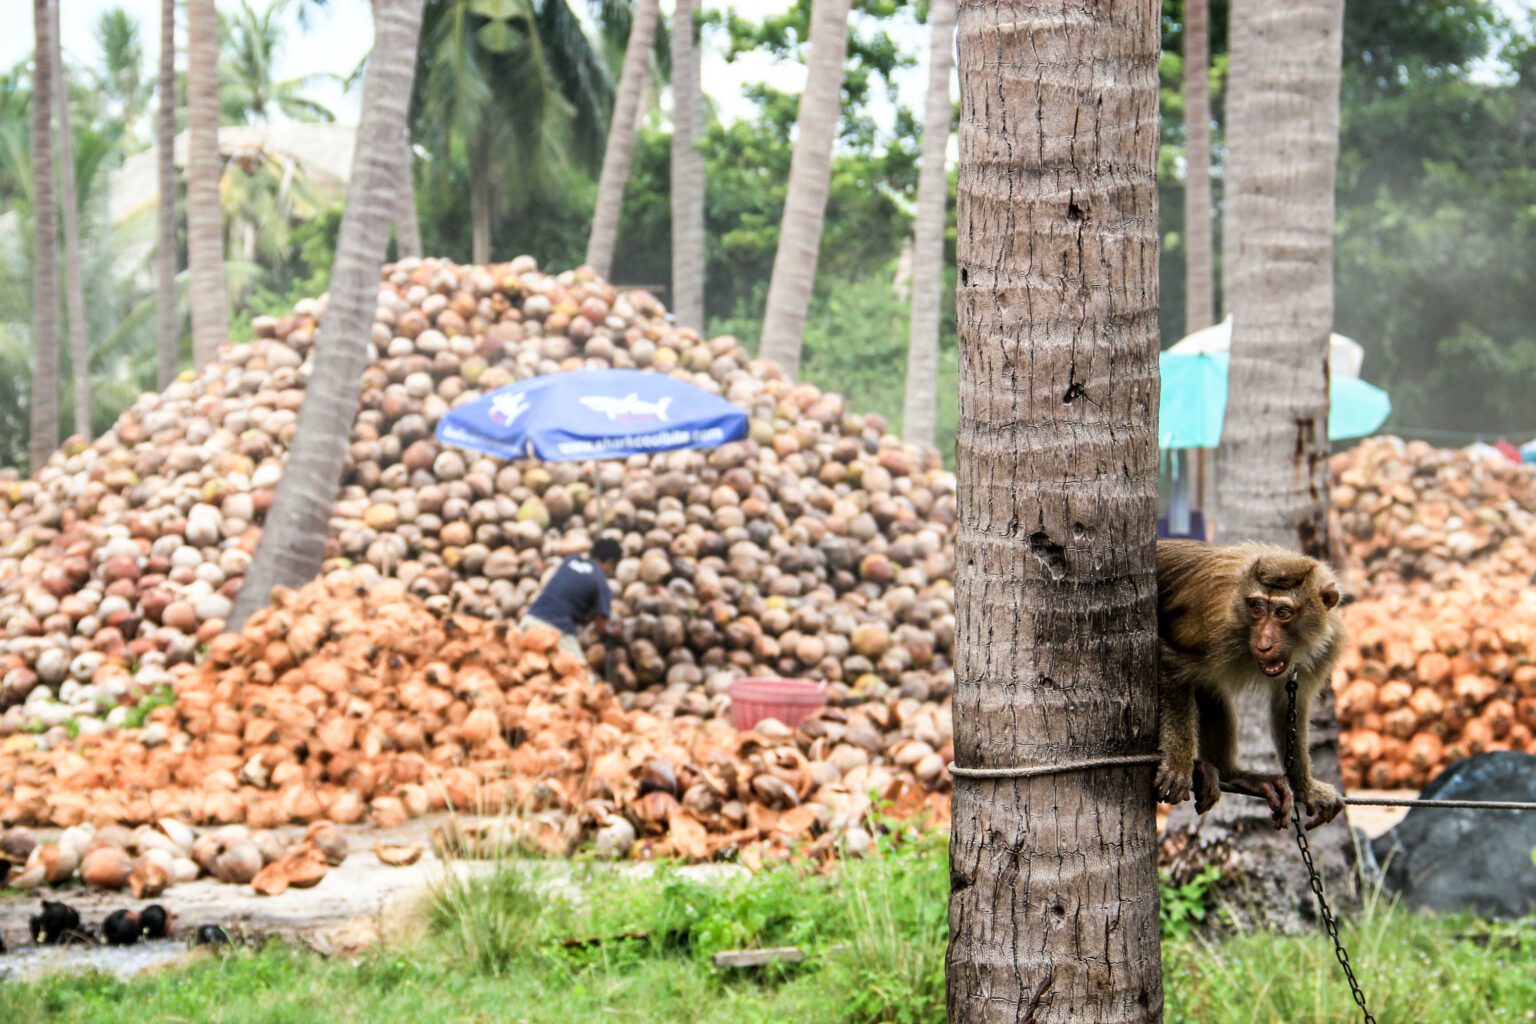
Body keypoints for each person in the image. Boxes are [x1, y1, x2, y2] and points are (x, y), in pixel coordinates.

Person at [519, 538, 622, 658]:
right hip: (555, 629)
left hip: (529, 619)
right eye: (612, 568)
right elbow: (600, 629)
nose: (610, 572)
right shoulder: (600, 582)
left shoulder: (570, 560)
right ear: (610, 562)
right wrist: (615, 632)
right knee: (582, 674)